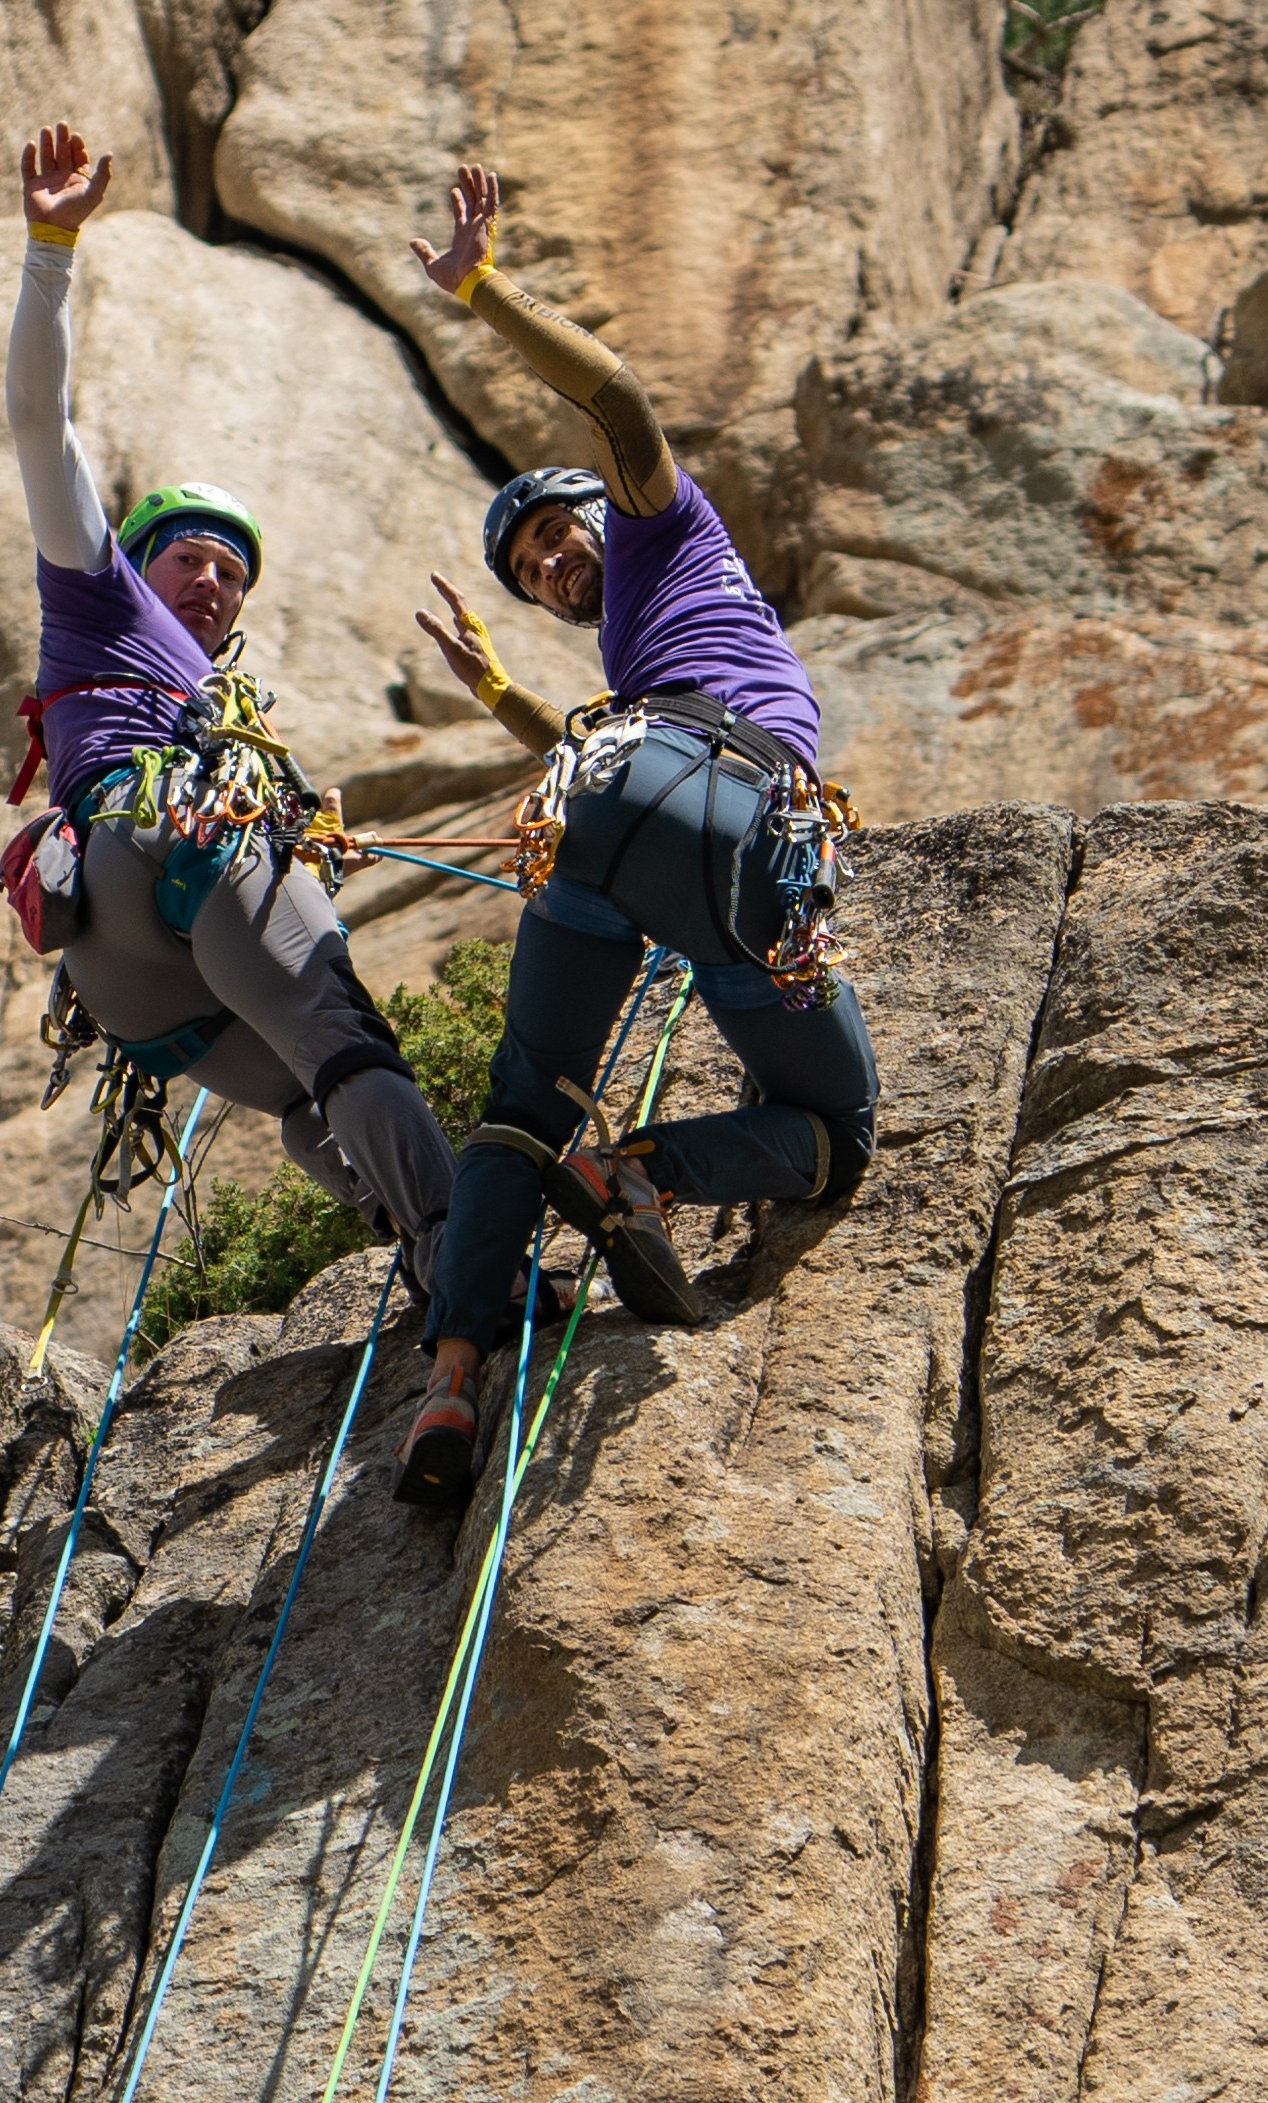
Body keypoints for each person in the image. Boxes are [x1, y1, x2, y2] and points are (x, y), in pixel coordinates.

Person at [390, 160, 880, 1510]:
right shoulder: (633, 645)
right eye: (529, 563)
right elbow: (610, 764)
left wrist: (487, 290)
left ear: (610, 507)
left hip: (624, 805)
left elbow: (618, 404)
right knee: (835, 1122)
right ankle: (644, 1175)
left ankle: (452, 1373)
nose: (550, 558)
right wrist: (496, 687)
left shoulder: (670, 534)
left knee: (519, 1102)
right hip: (699, 815)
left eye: (557, 531)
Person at [5, 123, 457, 1288]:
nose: (208, 581)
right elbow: (39, 428)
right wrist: (52, 245)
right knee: (350, 1042)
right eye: (188, 559)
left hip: (123, 971)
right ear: (137, 560)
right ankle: (467, 1261)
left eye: (230, 572)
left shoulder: (219, 697)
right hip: (173, 849)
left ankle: (406, 1251)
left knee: (313, 1094)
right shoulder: (96, 597)